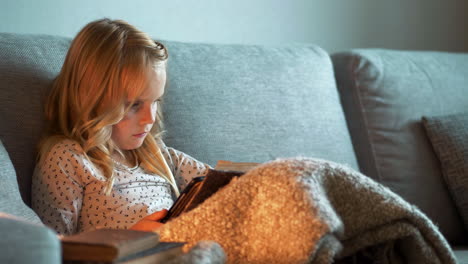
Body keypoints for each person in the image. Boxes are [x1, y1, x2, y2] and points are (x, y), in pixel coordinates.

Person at [31, 18, 211, 235]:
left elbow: (227, 183)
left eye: (156, 101)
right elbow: (51, 251)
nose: (150, 119)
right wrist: (128, 240)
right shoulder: (67, 159)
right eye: (134, 105)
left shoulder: (157, 154)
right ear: (92, 100)